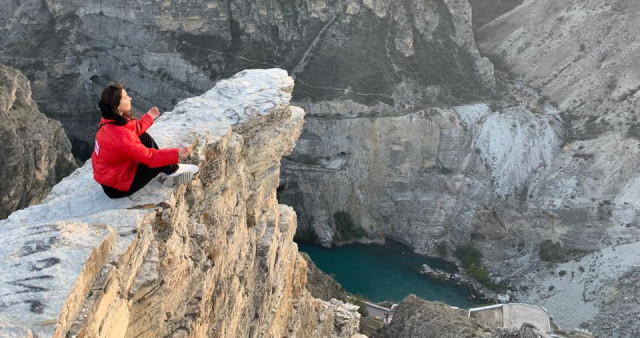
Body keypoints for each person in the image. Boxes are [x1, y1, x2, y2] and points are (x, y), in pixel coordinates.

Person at [91, 82, 198, 198]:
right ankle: (172, 170)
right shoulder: (120, 136)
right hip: (118, 187)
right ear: (117, 105)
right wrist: (177, 153)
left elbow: (131, 132)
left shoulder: (109, 119)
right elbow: (150, 158)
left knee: (143, 136)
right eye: (126, 97)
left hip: (112, 177)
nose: (130, 98)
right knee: (156, 162)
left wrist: (148, 118)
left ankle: (171, 169)